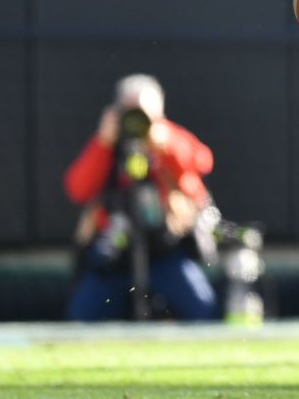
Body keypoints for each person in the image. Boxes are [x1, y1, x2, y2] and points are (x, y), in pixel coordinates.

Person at [63, 74, 219, 321]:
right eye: (130, 113)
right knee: (82, 313)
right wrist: (103, 142)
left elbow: (202, 163)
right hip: (115, 253)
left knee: (201, 306)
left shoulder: (168, 138)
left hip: (164, 250)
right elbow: (77, 189)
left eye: (143, 114)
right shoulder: (108, 145)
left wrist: (165, 145)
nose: (137, 122)